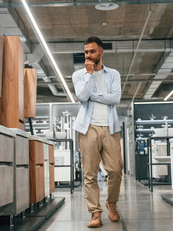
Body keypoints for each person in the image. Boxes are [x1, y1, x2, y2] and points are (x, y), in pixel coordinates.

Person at [72, 36, 123, 228]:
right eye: (86, 52)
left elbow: (115, 98)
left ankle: (112, 203)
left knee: (116, 170)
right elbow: (82, 96)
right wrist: (90, 75)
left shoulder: (113, 74)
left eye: (92, 51)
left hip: (110, 127)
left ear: (101, 52)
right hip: (87, 128)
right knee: (90, 174)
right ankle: (95, 212)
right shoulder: (79, 75)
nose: (88, 55)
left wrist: (94, 96)